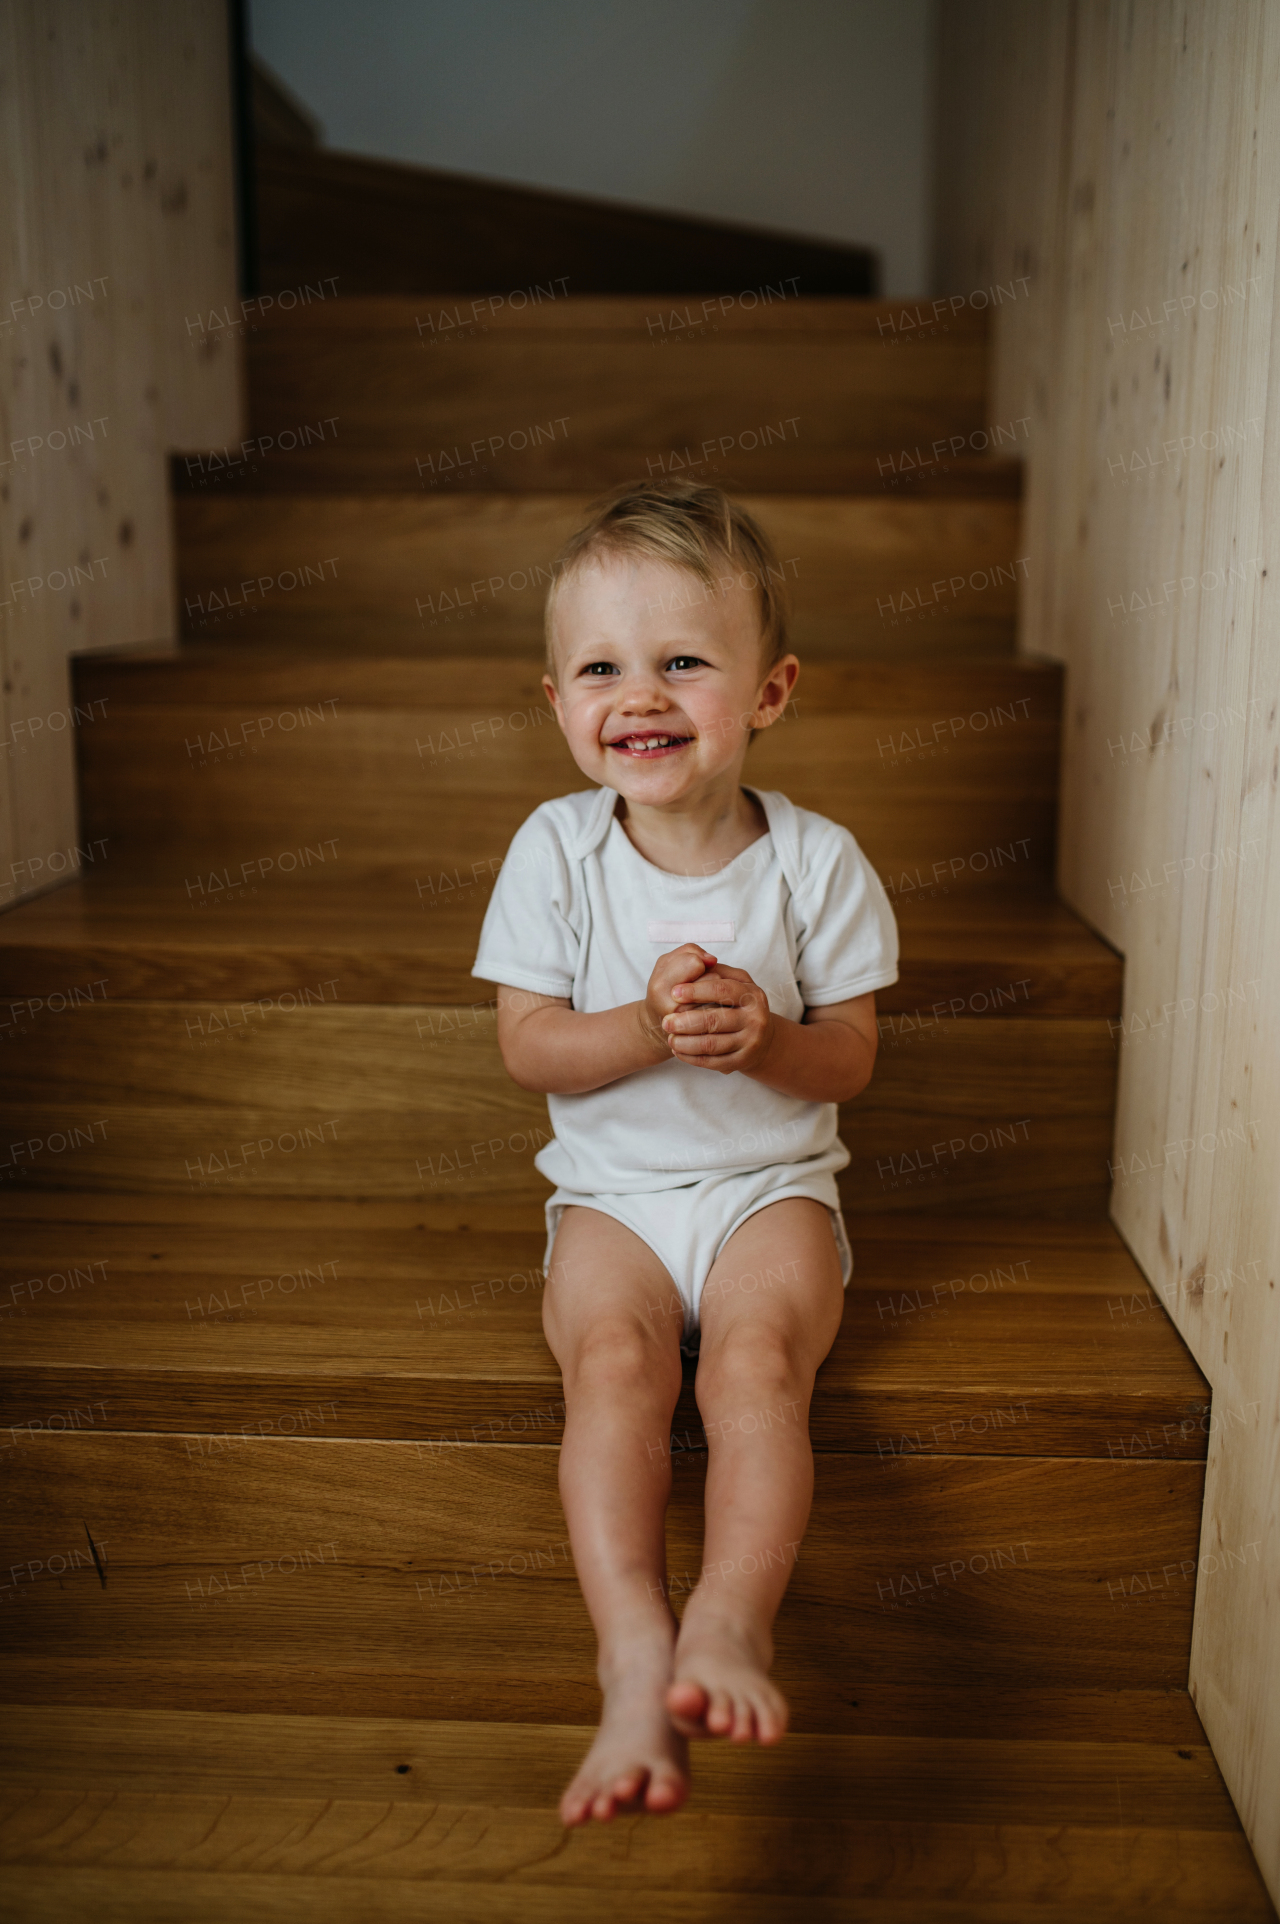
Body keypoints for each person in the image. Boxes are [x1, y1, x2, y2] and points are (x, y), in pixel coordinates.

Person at [472, 479, 898, 1826]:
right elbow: (531, 1048)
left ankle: (728, 1621)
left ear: (766, 695)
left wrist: (765, 1035)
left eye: (683, 662)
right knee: (615, 1368)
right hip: (611, 1201)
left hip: (771, 1188)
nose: (640, 693)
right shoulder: (557, 851)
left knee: (761, 1366)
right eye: (602, 666)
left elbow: (851, 1059)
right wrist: (644, 1029)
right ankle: (632, 1654)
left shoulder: (817, 863)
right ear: (556, 703)